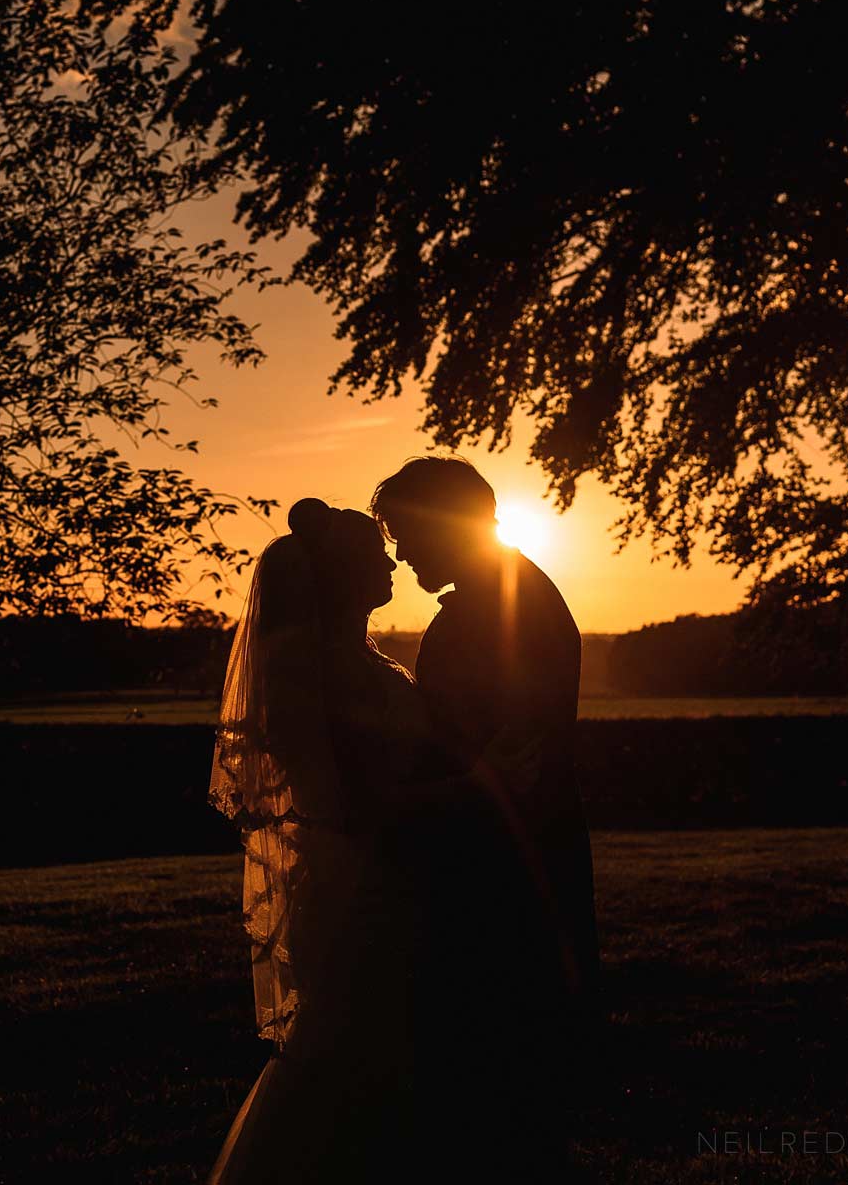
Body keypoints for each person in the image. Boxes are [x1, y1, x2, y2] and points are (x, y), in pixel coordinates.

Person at [205, 497, 459, 1184]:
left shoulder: (359, 659)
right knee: (347, 1056)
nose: (391, 562)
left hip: (390, 882)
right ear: (342, 573)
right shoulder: (308, 669)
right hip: (356, 889)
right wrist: (469, 790)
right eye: (375, 554)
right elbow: (336, 803)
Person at [369, 455, 602, 1175]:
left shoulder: (502, 609)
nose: (401, 554)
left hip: (504, 873)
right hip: (505, 858)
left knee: (501, 1088)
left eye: (408, 533)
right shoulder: (505, 595)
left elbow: (504, 763)